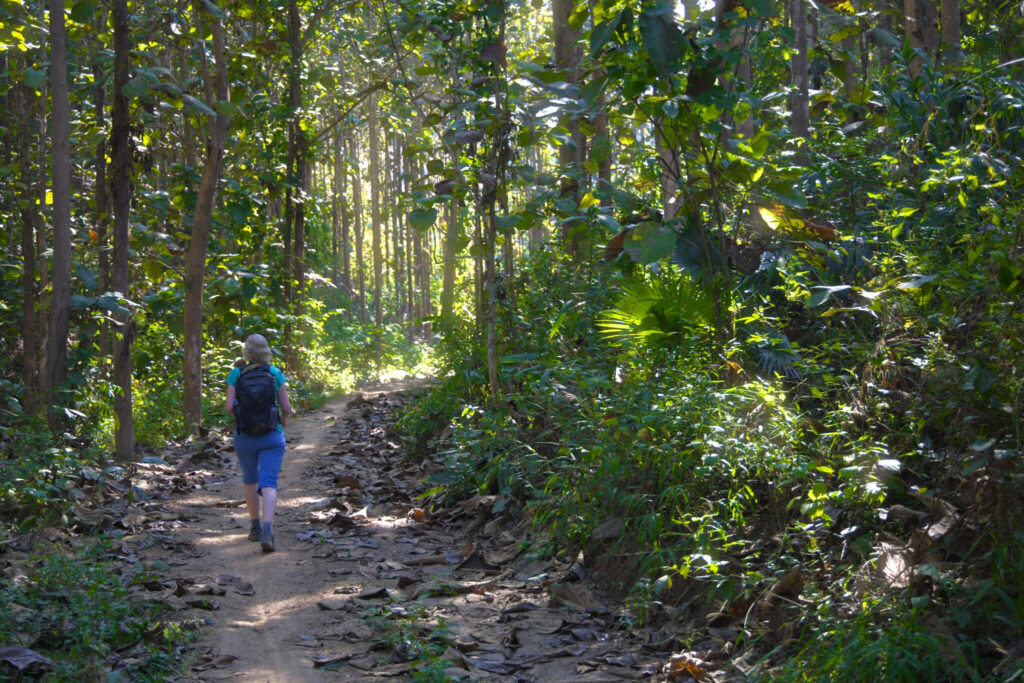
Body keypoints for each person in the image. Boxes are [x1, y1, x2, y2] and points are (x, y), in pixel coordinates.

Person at [224, 334, 294, 552]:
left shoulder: (237, 373)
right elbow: (287, 408)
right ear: (266, 350)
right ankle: (267, 530)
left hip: (244, 436)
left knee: (250, 479)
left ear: (247, 351)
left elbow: (228, 408)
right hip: (272, 436)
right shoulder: (275, 373)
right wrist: (288, 414)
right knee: (269, 483)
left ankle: (254, 526)